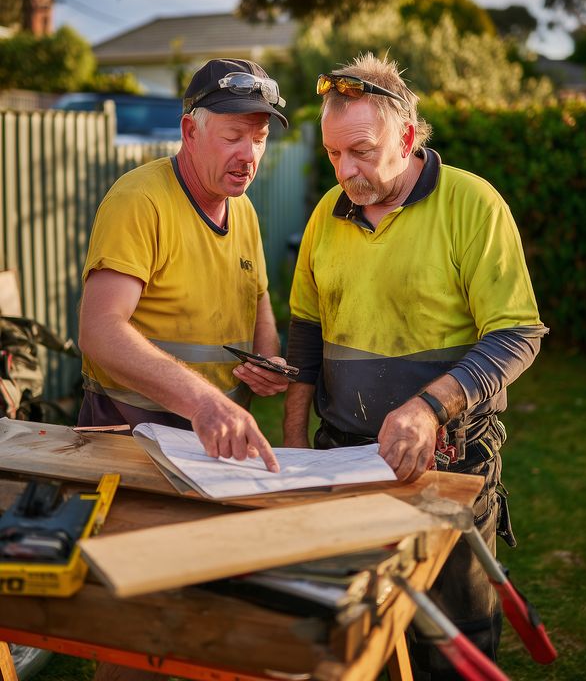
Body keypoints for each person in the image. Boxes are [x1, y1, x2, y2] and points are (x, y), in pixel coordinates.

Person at [284, 53, 548, 679]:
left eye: (362, 152)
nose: (346, 171)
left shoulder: (471, 204)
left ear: (406, 136)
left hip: (450, 466)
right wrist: (295, 448)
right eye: (333, 156)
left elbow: (517, 335)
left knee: (450, 648)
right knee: (358, 641)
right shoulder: (327, 213)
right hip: (340, 460)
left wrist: (428, 408)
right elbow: (305, 336)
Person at [78, 59, 291, 679]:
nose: (249, 153)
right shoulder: (138, 199)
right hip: (133, 449)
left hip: (218, 452)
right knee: (140, 632)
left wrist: (268, 356)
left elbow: (258, 298)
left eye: (259, 137)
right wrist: (203, 401)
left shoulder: (243, 209)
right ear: (188, 131)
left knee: (211, 621)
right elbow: (99, 331)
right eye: (233, 135)